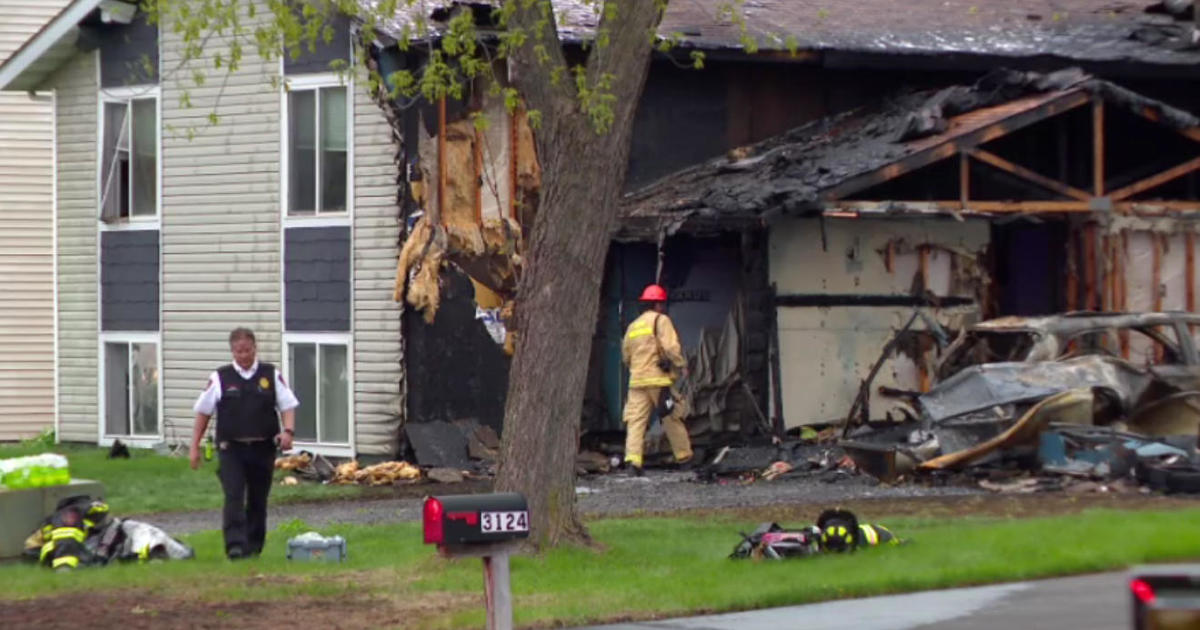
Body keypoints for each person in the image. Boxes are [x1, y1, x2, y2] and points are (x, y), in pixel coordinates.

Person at [190, 328, 299, 559]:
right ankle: (235, 546)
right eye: (238, 352)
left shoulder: (270, 374)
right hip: (232, 449)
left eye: (247, 350)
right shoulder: (221, 377)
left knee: (259, 499)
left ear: (254, 348)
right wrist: (194, 446)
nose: (243, 356)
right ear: (232, 351)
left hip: (263, 447)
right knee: (234, 496)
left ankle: (254, 546)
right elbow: (203, 412)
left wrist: (288, 432)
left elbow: (287, 405)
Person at [621, 283, 692, 476]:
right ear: (659, 304)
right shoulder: (661, 321)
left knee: (635, 421)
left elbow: (626, 355)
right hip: (658, 381)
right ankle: (684, 458)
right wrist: (681, 364)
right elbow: (671, 347)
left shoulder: (633, 326)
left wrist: (637, 368)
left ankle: (633, 462)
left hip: (636, 381)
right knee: (671, 417)